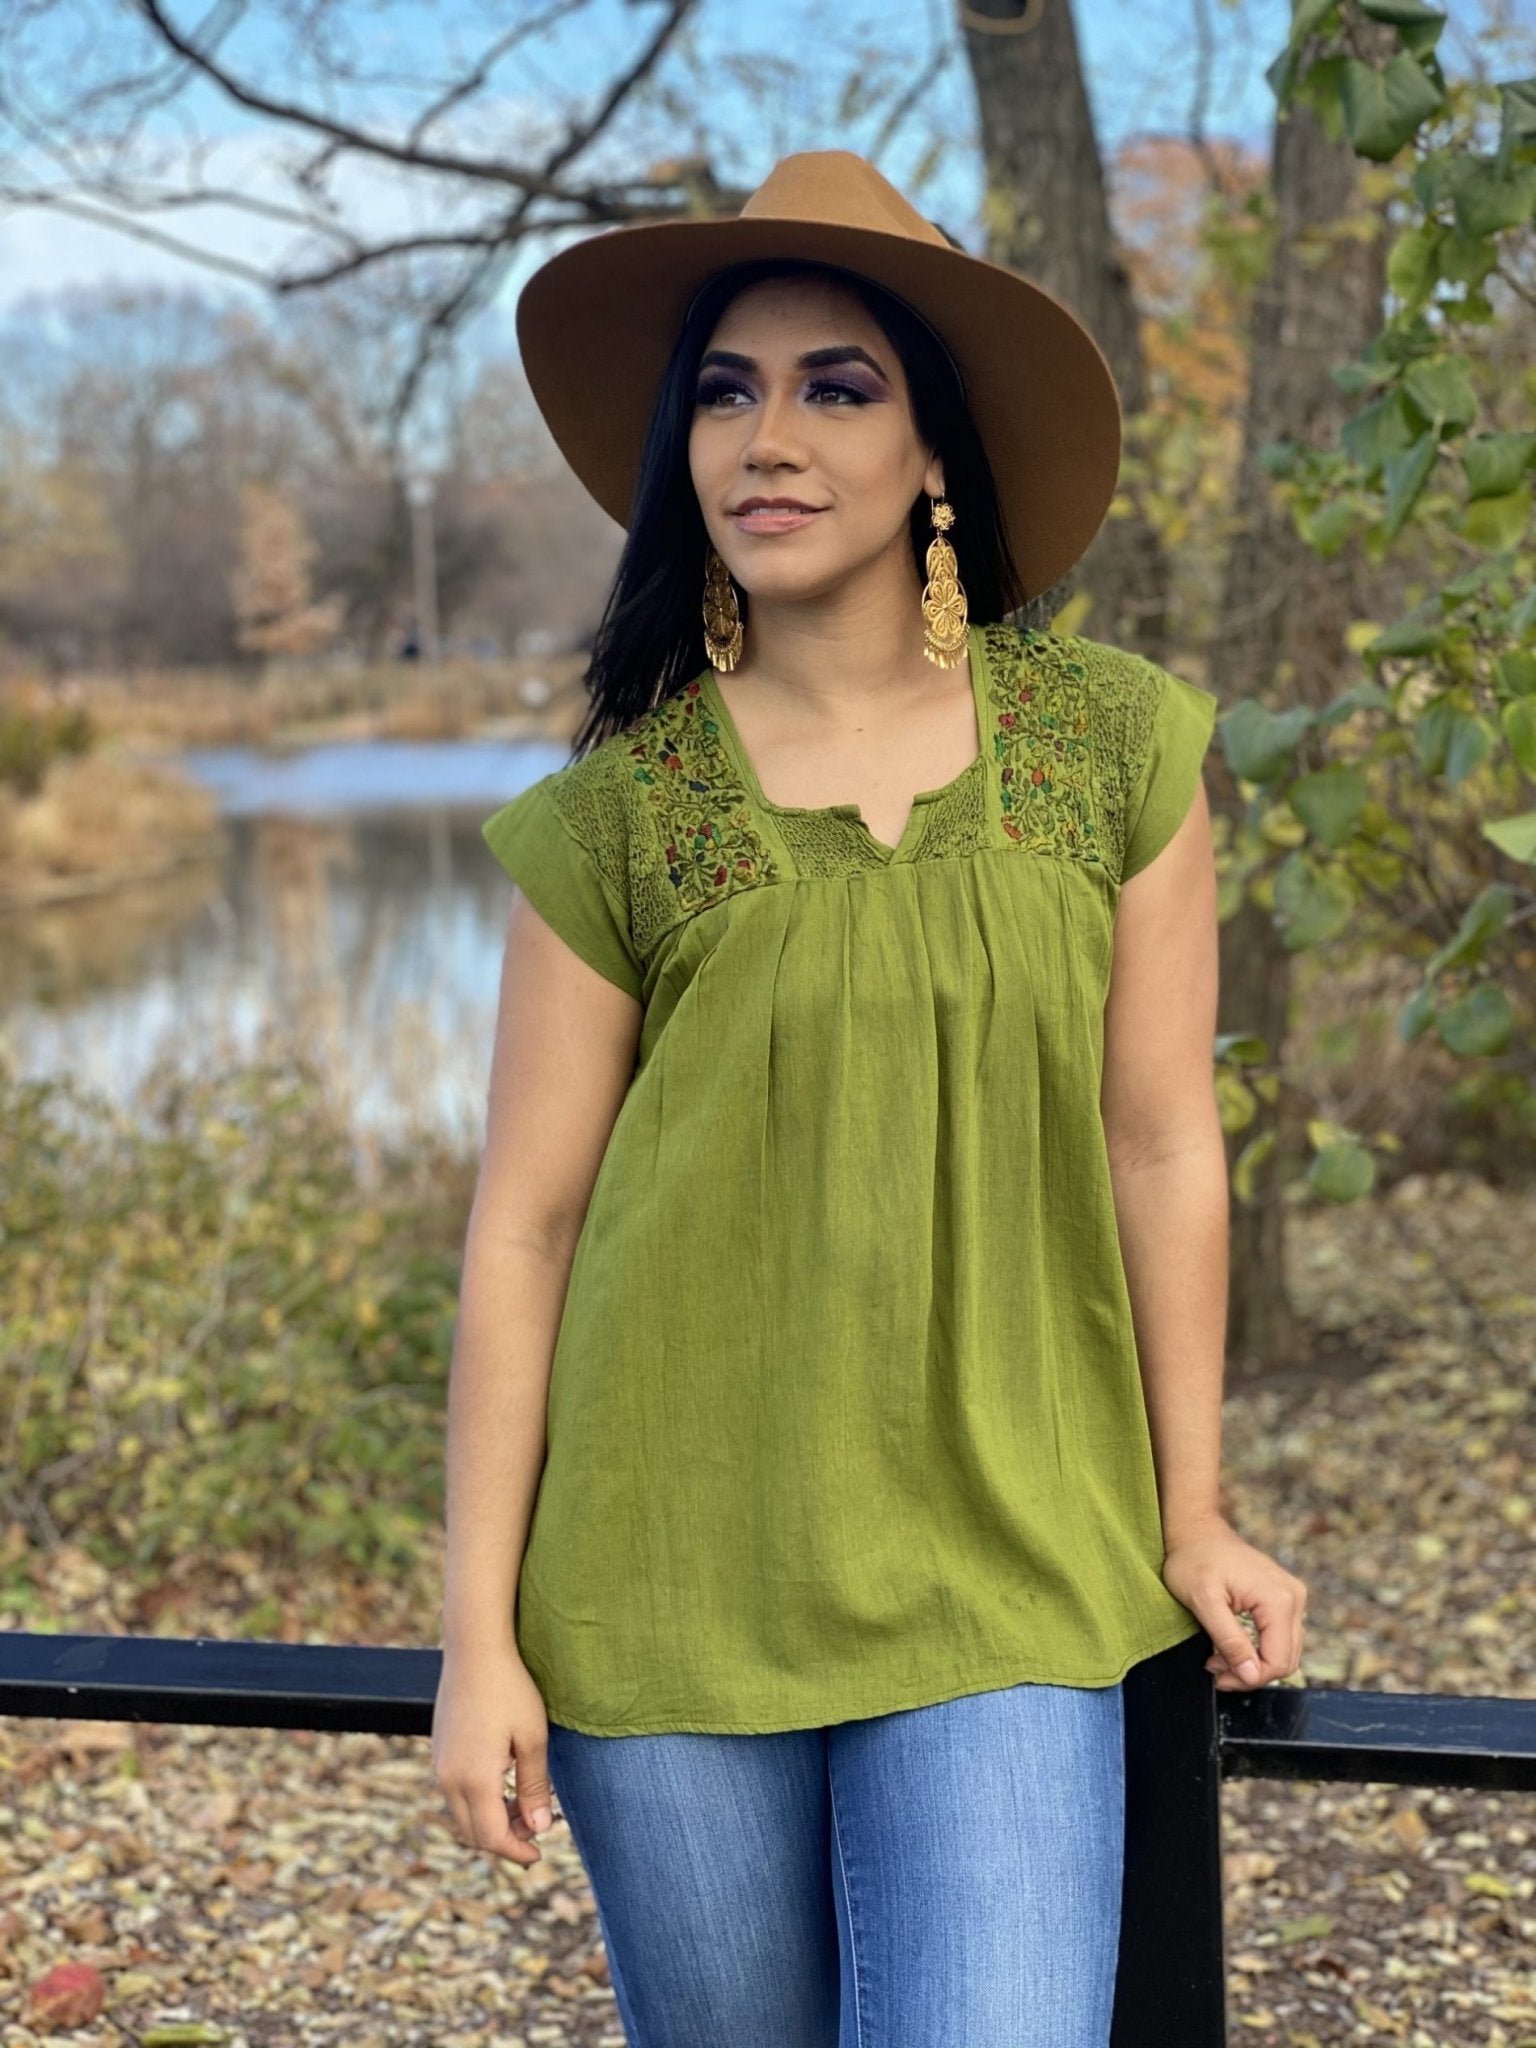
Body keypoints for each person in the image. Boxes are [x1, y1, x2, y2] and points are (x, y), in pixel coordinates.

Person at [432, 149, 1308, 2047]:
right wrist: (478, 1636)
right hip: (662, 1595)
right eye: (726, 392)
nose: (769, 434)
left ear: (935, 456)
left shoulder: (1114, 748)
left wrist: (1199, 1510)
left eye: (839, 387)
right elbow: (525, 1229)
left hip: (1013, 1570)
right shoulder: (616, 819)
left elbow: (1160, 1144)